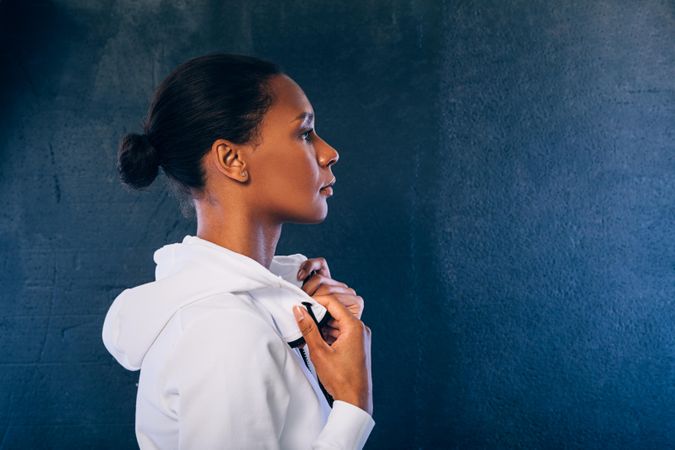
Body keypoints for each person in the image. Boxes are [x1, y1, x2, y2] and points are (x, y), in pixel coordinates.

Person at [101, 53, 375, 449]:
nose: (329, 152)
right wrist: (353, 406)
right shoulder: (226, 331)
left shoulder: (248, 313)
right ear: (231, 159)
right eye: (304, 133)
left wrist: (321, 363)